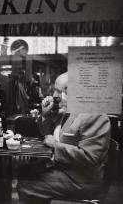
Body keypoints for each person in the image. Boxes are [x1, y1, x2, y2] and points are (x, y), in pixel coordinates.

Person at [17, 72, 111, 204]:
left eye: (58, 91)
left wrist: (55, 145)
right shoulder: (67, 111)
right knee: (23, 171)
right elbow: (45, 134)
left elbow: (91, 157)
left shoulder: (94, 115)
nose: (54, 95)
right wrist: (45, 114)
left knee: (27, 184)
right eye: (54, 90)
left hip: (80, 179)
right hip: (63, 169)